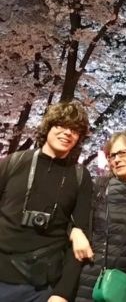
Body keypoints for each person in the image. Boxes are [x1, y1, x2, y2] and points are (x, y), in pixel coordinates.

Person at [0, 101, 92, 302]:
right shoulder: (14, 162)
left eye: (75, 130)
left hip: (41, 287)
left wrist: (62, 293)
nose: (67, 133)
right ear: (48, 127)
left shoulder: (80, 177)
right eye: (61, 125)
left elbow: (80, 241)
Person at [75, 130, 126, 301]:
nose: (116, 159)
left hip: (122, 284)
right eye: (112, 155)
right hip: (89, 279)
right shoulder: (98, 188)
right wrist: (75, 231)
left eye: (123, 153)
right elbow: (75, 219)